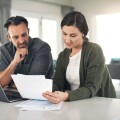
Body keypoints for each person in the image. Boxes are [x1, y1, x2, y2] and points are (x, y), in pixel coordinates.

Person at [43, 11, 116, 103]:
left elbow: (91, 86)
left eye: (73, 35)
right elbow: (58, 83)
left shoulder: (94, 51)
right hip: (75, 102)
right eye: (64, 34)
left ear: (83, 33)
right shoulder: (63, 55)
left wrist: (67, 95)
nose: (67, 40)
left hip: (100, 102)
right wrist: (45, 91)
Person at [0, 16, 53, 88]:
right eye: (16, 37)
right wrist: (14, 63)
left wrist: (10, 83)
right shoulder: (3, 50)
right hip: (11, 96)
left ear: (28, 31)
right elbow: (1, 83)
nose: (21, 41)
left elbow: (33, 83)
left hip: (38, 96)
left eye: (24, 35)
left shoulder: (42, 47)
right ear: (9, 37)